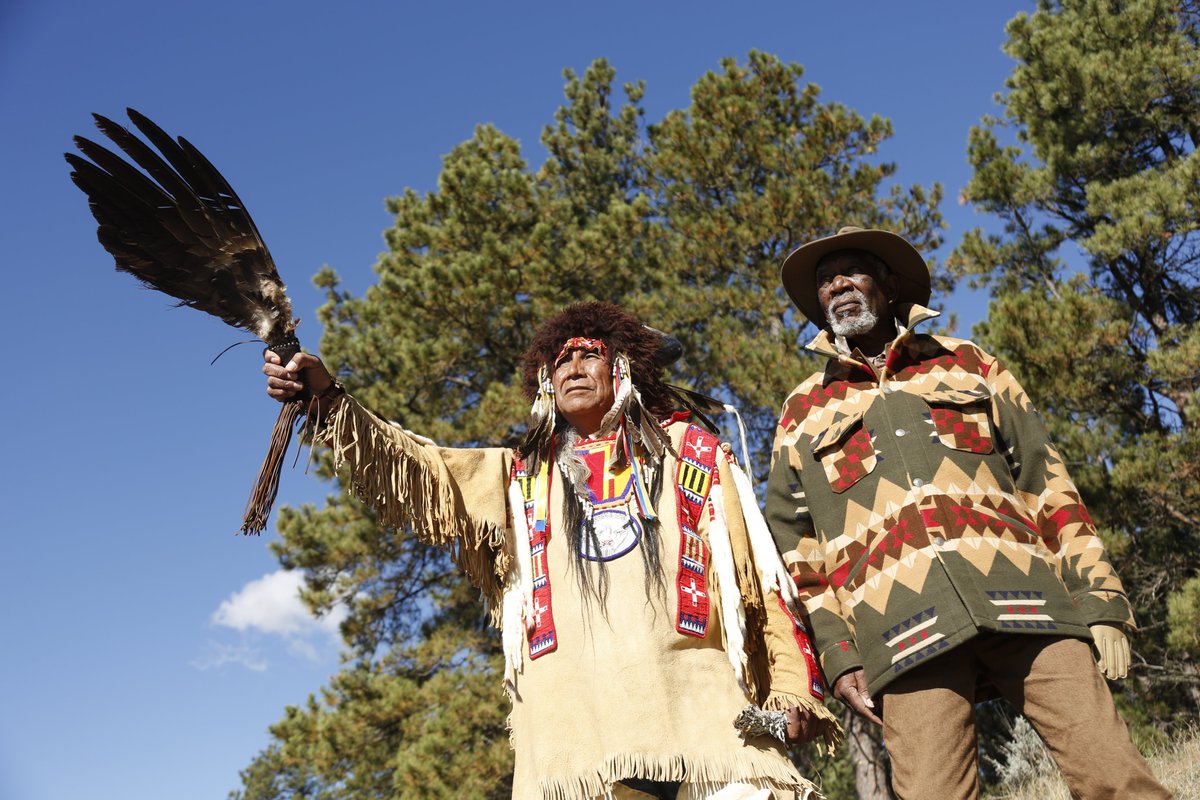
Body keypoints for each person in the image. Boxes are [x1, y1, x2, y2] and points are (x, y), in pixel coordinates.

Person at [264, 301, 838, 800]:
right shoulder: (518, 478)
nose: (572, 368)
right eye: (559, 361)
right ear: (545, 384)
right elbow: (420, 467)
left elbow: (758, 580)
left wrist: (791, 688)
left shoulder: (692, 455)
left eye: (589, 354)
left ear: (624, 370)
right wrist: (326, 398)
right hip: (575, 737)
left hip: (705, 719)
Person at [764, 227, 1171, 799]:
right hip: (899, 627)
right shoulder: (802, 412)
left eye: (852, 270)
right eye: (825, 281)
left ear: (888, 283)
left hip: (1031, 599)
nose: (837, 285)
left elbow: (1046, 481)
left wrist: (1100, 599)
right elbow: (797, 552)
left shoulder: (969, 363)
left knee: (1117, 779)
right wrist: (837, 653)